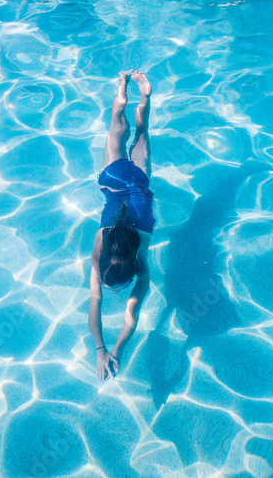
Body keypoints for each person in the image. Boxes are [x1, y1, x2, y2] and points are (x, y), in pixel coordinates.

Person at [88, 69, 156, 383]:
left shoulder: (141, 257)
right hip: (113, 180)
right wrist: (105, 348)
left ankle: (144, 97)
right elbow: (98, 302)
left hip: (139, 187)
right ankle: (122, 93)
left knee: (141, 135)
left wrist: (110, 349)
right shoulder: (100, 242)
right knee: (117, 129)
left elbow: (129, 317)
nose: (102, 287)